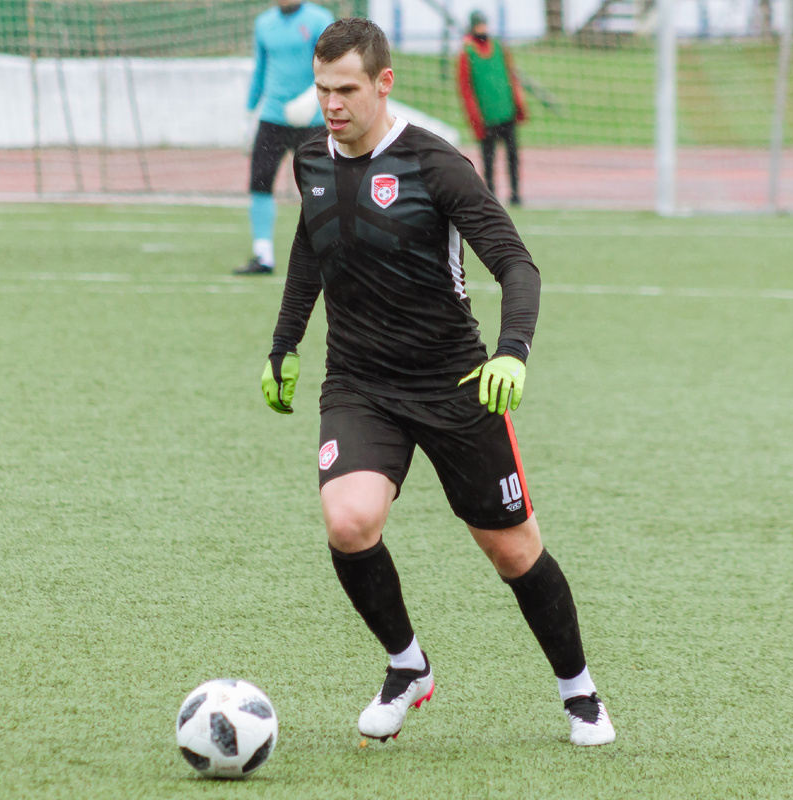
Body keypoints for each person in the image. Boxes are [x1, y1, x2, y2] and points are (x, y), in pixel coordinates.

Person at [259, 17, 615, 747]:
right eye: (323, 89)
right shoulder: (311, 158)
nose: (332, 104)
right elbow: (310, 247)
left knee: (513, 551)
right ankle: (407, 666)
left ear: (384, 83)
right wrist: (284, 343)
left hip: (455, 383)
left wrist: (512, 352)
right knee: (348, 522)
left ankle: (579, 692)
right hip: (359, 383)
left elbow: (516, 264)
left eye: (347, 89)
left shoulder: (436, 163)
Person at [234, 0, 335, 275]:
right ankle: (263, 255)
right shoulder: (264, 23)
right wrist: (248, 113)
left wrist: (313, 98)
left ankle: (328, 252)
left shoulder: (319, 19)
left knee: (321, 187)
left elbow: (330, 65)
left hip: (311, 120)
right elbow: (260, 69)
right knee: (260, 180)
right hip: (273, 117)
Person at [457, 10, 527, 206]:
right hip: (485, 116)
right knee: (488, 159)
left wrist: (518, 103)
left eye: (484, 24)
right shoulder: (467, 52)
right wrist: (474, 116)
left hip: (506, 112)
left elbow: (510, 75)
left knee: (513, 155)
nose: (482, 29)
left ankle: (515, 193)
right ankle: (491, 196)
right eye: (479, 25)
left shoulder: (498, 46)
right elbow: (465, 88)